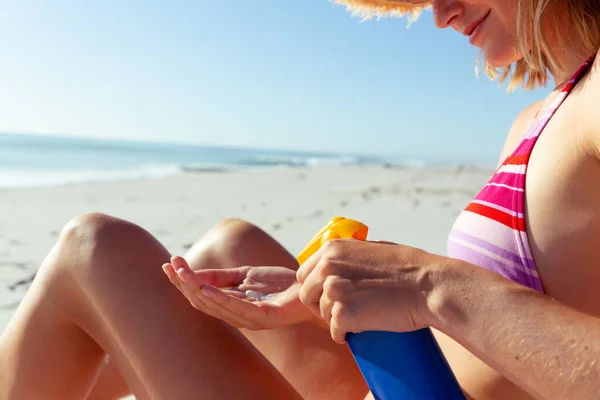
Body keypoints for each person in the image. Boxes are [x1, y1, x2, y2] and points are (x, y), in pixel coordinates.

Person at [2, 0, 600, 399]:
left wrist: (433, 286)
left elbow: (461, 296)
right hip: (410, 384)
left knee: (97, 250)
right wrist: (343, 291)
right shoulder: (543, 113)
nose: (440, 14)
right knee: (228, 249)